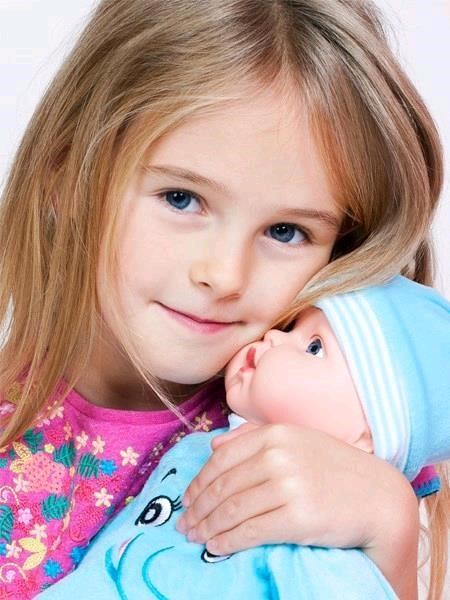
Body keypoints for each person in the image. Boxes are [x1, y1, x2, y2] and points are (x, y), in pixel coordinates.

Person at [0, 0, 447, 598]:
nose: (224, 275)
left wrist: (388, 529)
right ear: (65, 175)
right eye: (181, 198)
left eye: (286, 231)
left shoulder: (323, 425)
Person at [35, 275, 450, 600]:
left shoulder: (312, 538)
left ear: (368, 438)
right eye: (292, 327)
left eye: (314, 347)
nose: (274, 337)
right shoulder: (195, 447)